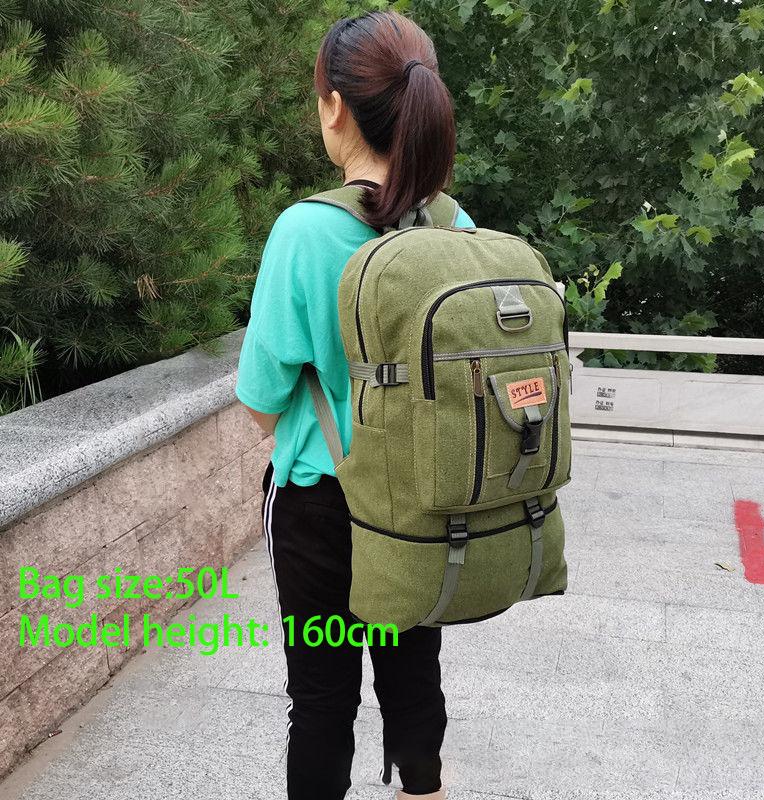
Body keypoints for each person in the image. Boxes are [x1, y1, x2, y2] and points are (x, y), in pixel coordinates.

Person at [236, 10, 475, 800]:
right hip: (424, 499)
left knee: (321, 699)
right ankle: (424, 789)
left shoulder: (304, 232)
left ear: (335, 106)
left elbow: (262, 399)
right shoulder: (455, 225)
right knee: (414, 674)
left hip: (321, 509)